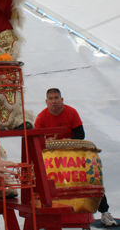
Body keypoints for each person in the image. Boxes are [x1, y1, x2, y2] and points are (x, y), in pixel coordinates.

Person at [35, 88, 117, 226]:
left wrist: (66, 140)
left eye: (56, 98)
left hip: (73, 156)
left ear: (62, 100)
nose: (54, 101)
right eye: (51, 99)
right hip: (52, 159)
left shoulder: (71, 112)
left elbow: (81, 134)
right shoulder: (41, 117)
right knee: (47, 187)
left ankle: (105, 212)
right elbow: (35, 138)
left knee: (91, 182)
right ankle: (44, 216)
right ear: (46, 101)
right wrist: (46, 141)